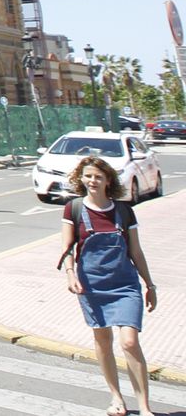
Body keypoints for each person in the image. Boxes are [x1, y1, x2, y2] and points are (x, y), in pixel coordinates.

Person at [60, 155, 158, 416]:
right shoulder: (74, 209)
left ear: (108, 181)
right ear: (81, 178)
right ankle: (116, 398)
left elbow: (136, 251)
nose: (93, 180)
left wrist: (149, 285)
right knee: (102, 340)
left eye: (98, 177)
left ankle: (145, 407)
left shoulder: (124, 211)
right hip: (92, 286)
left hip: (126, 285)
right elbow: (67, 248)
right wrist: (71, 274)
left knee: (129, 342)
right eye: (88, 175)